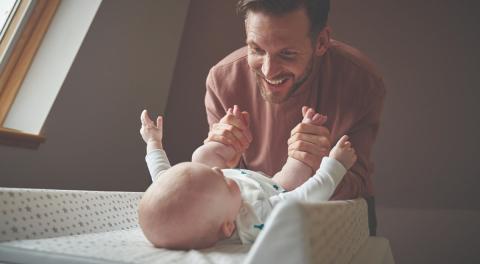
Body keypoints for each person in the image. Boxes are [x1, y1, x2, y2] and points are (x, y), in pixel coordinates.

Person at [203, 0, 385, 234]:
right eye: (257, 49)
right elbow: (222, 186)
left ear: (321, 42)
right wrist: (217, 155)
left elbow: (357, 184)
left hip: (334, 217)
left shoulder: (362, 81)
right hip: (253, 215)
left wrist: (321, 165)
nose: (269, 71)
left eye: (287, 54)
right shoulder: (222, 81)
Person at [138, 109, 357, 249]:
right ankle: (308, 132)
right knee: (294, 176)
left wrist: (153, 141)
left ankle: (231, 133)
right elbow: (306, 196)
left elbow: (161, 174)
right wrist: (336, 165)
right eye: (222, 182)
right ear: (227, 226)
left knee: (201, 156)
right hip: (273, 186)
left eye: (212, 173)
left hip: (240, 174)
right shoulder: (255, 215)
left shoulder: (213, 196)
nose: (217, 172)